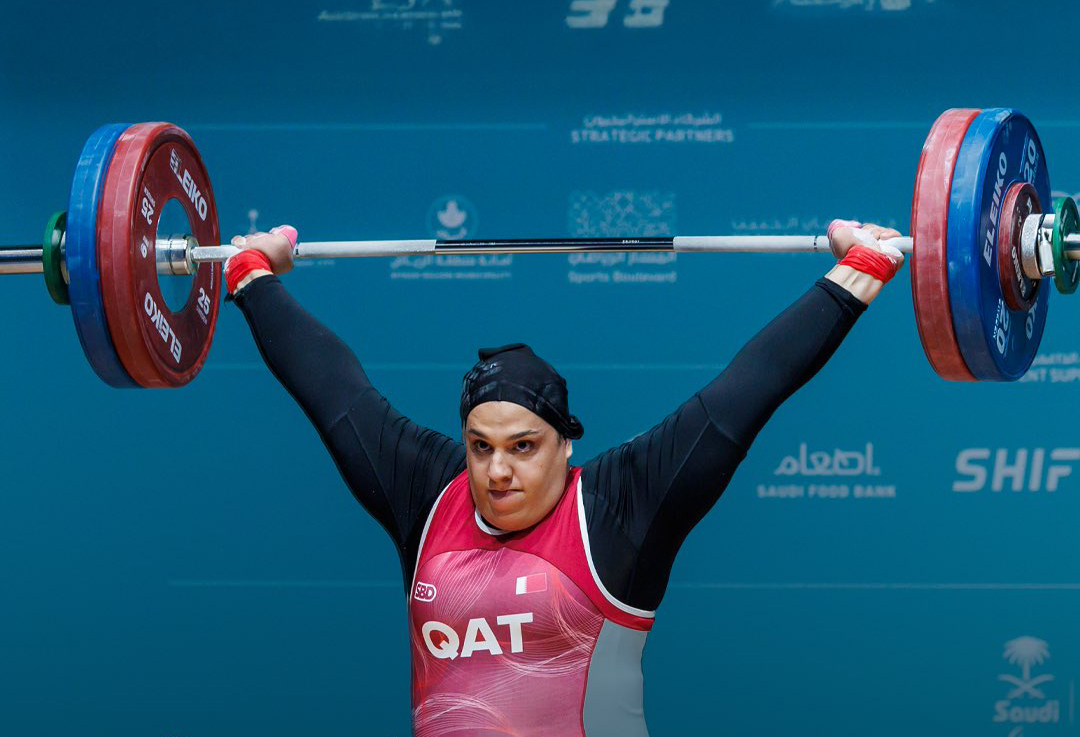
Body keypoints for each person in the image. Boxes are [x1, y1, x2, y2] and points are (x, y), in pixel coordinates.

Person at [224, 220, 904, 736]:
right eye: (480, 445)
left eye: (522, 445)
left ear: (565, 444)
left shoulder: (617, 505)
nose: (496, 470)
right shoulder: (431, 494)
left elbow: (747, 391)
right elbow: (332, 390)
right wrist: (252, 275)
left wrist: (861, 268)